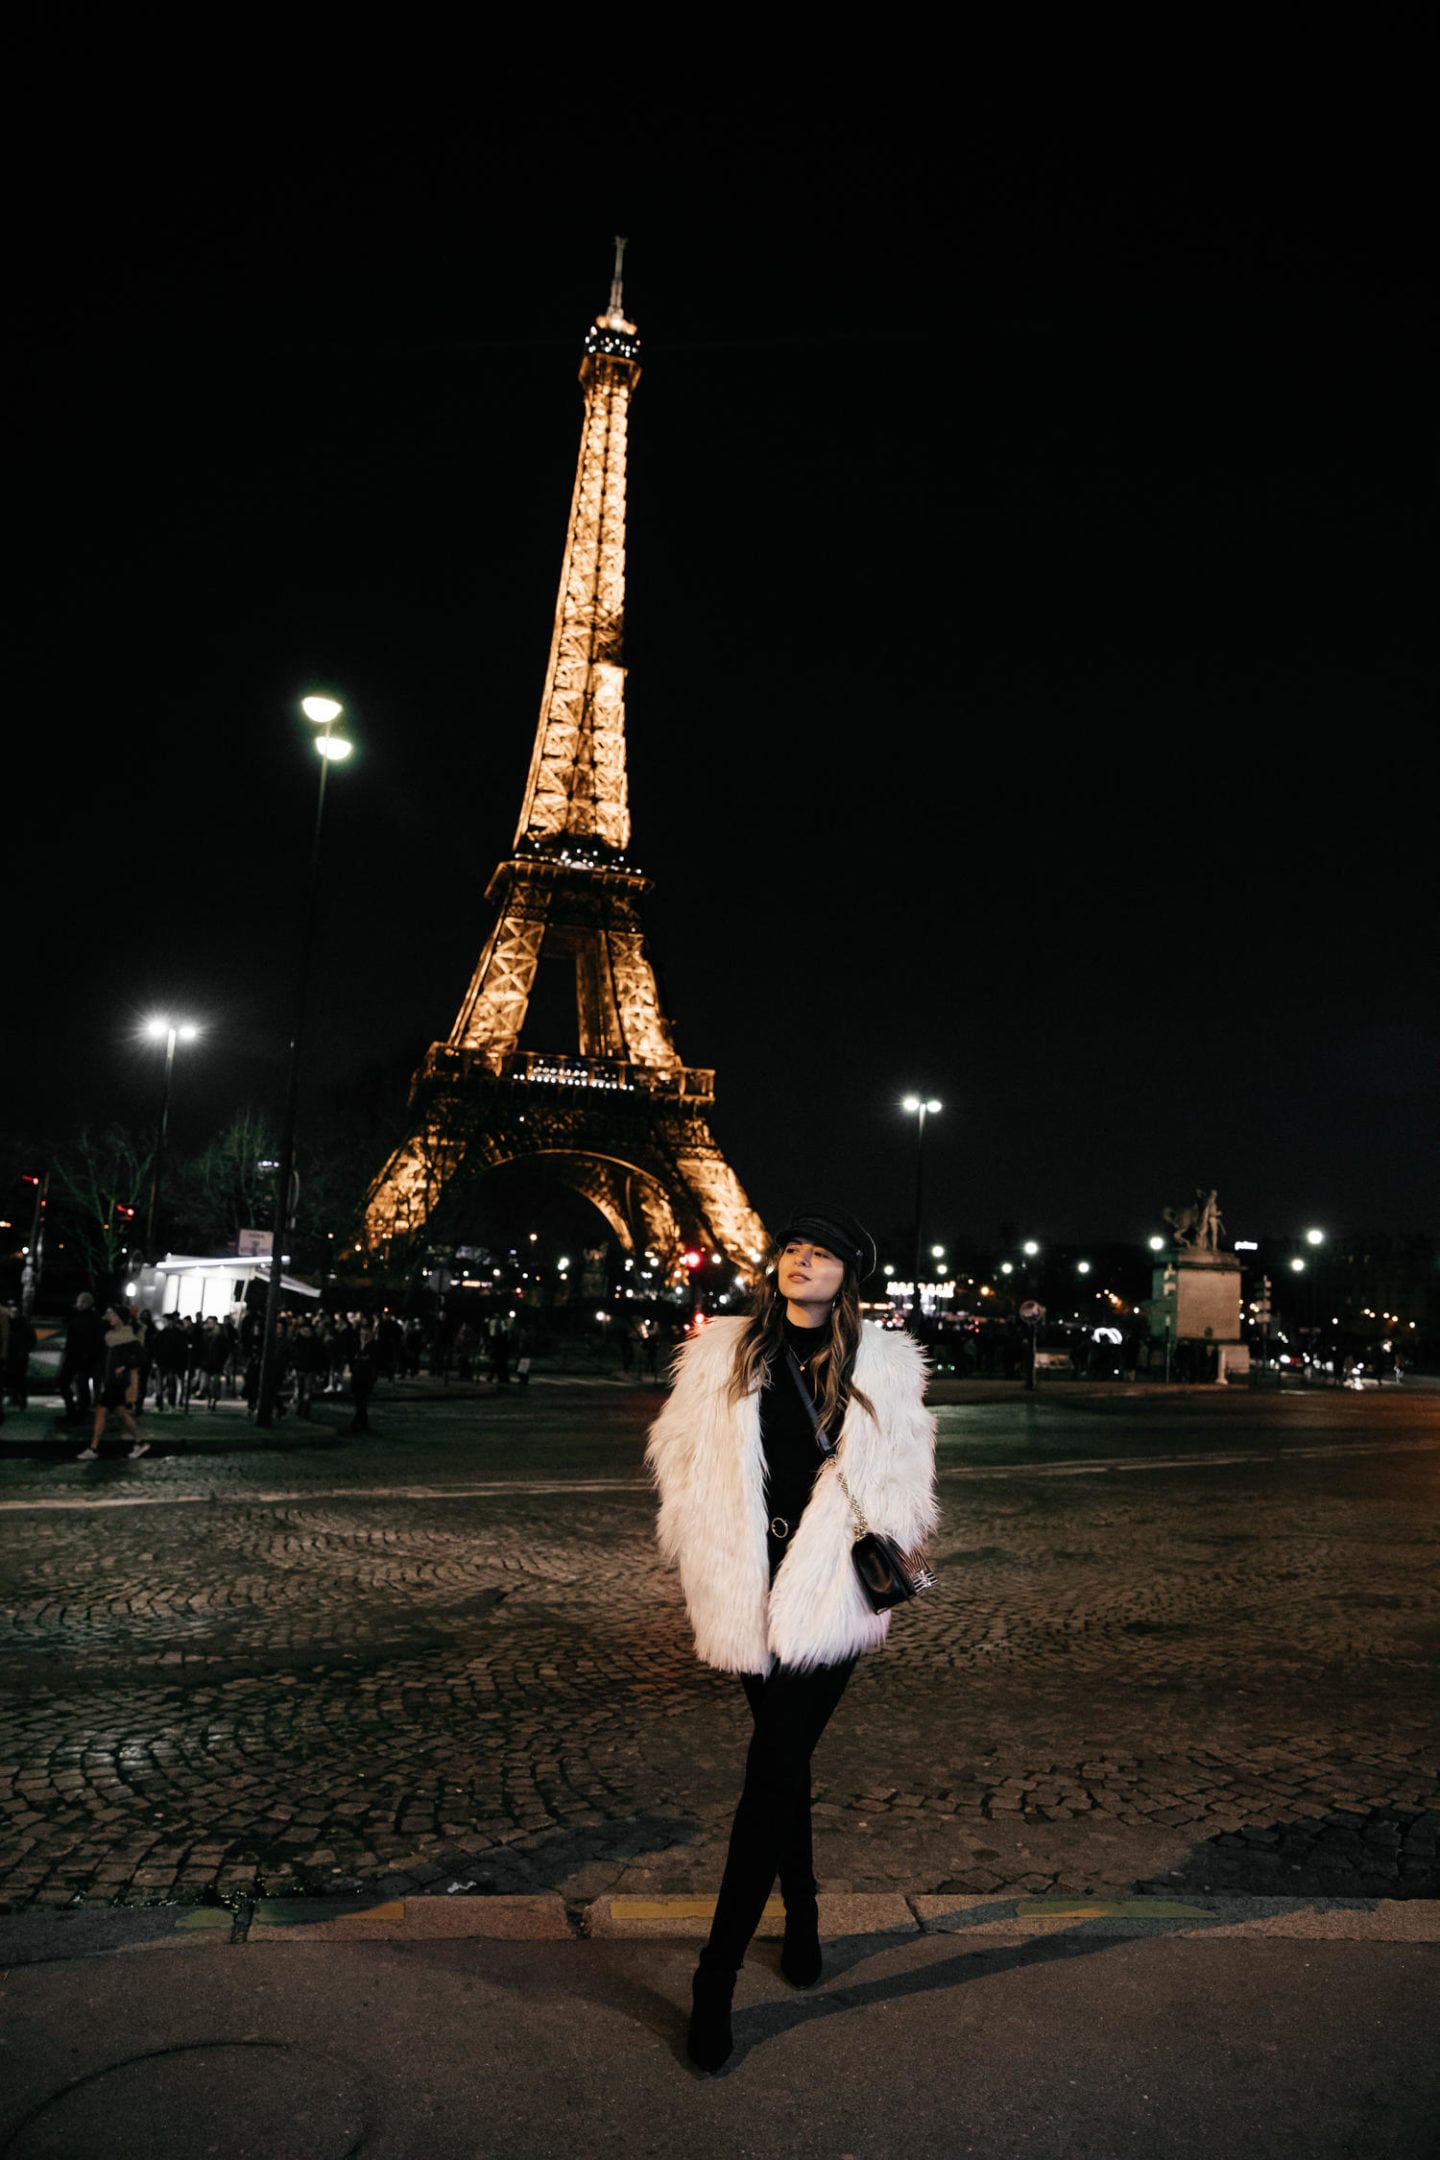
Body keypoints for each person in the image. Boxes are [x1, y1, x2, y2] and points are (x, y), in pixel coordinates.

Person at [645, 1205, 937, 2073]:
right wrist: (703, 1544)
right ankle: (801, 1912)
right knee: (787, 1764)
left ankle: (715, 1979)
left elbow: (903, 1479)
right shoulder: (725, 1349)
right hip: (746, 1583)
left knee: (769, 1768)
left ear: (852, 1274)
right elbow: (685, 1460)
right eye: (792, 1249)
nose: (800, 1261)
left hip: (830, 1589)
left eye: (822, 1254)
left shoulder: (881, 1363)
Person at [77, 1305, 148, 1459]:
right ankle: (140, 1442)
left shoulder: (128, 1337)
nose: (110, 1318)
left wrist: (125, 1367)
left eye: (113, 1315)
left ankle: (94, 1448)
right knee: (122, 1412)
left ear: (120, 1318)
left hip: (118, 1381)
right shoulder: (109, 1335)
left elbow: (141, 1357)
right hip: (111, 1380)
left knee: (101, 1410)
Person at [58, 1291, 106, 1426]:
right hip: (84, 1358)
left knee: (67, 1382)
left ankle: (73, 1411)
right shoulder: (95, 1319)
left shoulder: (81, 1318)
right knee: (81, 1385)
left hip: (78, 1356)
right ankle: (79, 1413)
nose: (77, 1304)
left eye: (79, 1302)